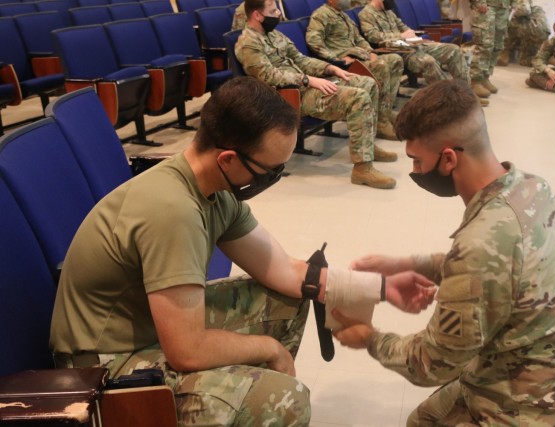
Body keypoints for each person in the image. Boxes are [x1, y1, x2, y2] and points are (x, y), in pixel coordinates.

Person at [49, 77, 435, 425]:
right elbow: (186, 349)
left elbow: (285, 270)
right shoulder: (172, 212)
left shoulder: (212, 189)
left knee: (292, 297)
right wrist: (268, 350)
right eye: (269, 171)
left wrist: (382, 288)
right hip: (102, 365)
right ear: (228, 159)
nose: (273, 179)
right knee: (286, 401)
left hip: (147, 328)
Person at [331, 79, 555, 426]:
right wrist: (408, 263)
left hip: (530, 407)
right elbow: (500, 268)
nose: (414, 171)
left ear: (449, 159)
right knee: (423, 418)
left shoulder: (479, 244)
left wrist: (369, 339)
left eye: (416, 161)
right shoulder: (532, 187)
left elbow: (430, 363)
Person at [236, 0, 398, 189]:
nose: (279, 14)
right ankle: (362, 168)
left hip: (305, 86)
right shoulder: (248, 43)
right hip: (289, 96)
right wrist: (307, 80)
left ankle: (367, 147)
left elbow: (300, 59)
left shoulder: (274, 34)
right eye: (273, 10)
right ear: (257, 15)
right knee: (358, 98)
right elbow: (268, 75)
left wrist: (329, 68)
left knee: (367, 82)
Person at [305, 0, 404, 135]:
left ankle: (384, 111)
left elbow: (358, 39)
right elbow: (314, 41)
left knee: (395, 60)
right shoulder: (321, 15)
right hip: (345, 63)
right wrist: (336, 60)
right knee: (380, 66)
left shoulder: (344, 15)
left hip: (360, 56)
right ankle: (380, 122)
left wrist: (371, 52)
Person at [358, 0, 470, 87]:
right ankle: (447, 97)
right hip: (400, 52)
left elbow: (403, 27)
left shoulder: (388, 11)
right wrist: (400, 36)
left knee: (453, 49)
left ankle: (466, 91)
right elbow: (373, 36)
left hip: (413, 45)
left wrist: (412, 34)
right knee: (429, 61)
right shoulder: (366, 14)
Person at [468, 0, 512, 99]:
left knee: (497, 46)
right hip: (486, 7)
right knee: (484, 45)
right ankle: (475, 81)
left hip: (503, 7)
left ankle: (485, 77)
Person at [497, 0, 550, 67]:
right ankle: (544, 58)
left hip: (532, 33)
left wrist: (511, 9)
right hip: (539, 38)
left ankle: (504, 53)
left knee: (503, 22)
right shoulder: (538, 9)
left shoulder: (523, 6)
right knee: (526, 60)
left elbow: (524, 10)